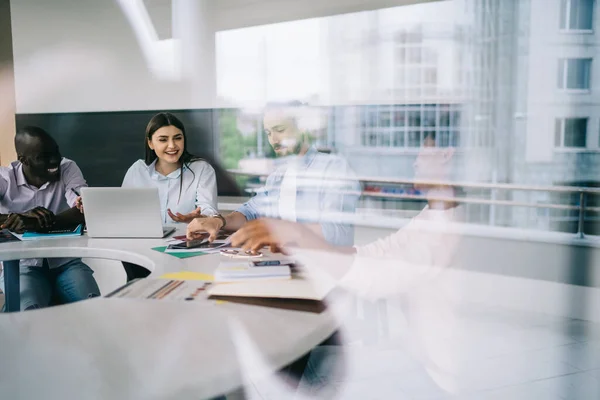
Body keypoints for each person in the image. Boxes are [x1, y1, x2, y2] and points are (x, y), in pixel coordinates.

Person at [229, 133, 466, 396]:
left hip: (429, 375)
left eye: (424, 153)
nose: (415, 162)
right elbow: (381, 251)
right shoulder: (432, 215)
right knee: (312, 354)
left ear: (447, 155)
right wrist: (308, 247)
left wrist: (297, 234)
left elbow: (377, 280)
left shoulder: (445, 229)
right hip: (412, 355)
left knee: (308, 363)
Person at [186, 102, 360, 247]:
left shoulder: (334, 169)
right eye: (269, 133)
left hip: (323, 268)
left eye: (280, 130)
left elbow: (339, 233)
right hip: (286, 262)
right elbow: (251, 211)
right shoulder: (279, 176)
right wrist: (219, 221)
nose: (273, 140)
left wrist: (280, 231)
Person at [0, 126, 101, 311]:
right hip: (23, 267)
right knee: (28, 312)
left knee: (94, 305)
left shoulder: (67, 167)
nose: (54, 161)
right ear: (23, 160)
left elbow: (84, 209)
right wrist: (15, 218)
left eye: (56, 153)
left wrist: (35, 223)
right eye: (43, 157)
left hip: (66, 263)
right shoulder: (5, 178)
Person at [119, 112, 218, 280]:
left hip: (185, 249)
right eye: (163, 139)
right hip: (143, 248)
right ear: (150, 143)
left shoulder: (201, 169)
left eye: (177, 138)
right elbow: (121, 213)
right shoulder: (138, 171)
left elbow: (210, 211)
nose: (172, 145)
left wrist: (199, 217)